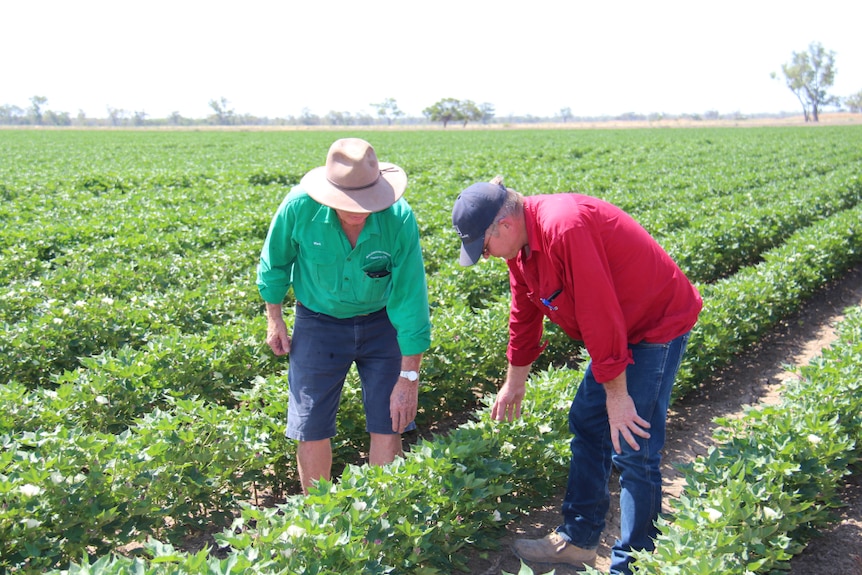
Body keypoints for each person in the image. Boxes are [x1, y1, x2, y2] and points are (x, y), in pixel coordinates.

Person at [451, 177, 702, 575]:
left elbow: (599, 314)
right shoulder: (521, 246)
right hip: (619, 324)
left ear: (505, 225)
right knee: (588, 421)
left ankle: (635, 564)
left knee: (633, 446)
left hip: (654, 323)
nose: (484, 256)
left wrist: (617, 399)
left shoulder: (564, 228)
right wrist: (514, 380)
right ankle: (579, 541)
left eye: (482, 247)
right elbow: (525, 311)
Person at [258, 138, 431, 495]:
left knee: (389, 420)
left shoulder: (398, 218)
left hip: (382, 322)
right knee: (311, 424)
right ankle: (317, 516)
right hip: (317, 323)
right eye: (348, 202)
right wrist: (274, 317)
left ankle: (381, 516)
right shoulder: (299, 208)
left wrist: (409, 376)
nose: (358, 210)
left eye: (367, 201)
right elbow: (275, 263)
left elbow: (412, 296)